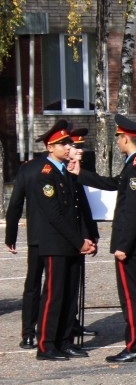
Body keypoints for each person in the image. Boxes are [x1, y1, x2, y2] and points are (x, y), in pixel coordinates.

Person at [74, 114, 136, 363]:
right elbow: (115, 184)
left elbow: (132, 211)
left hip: (130, 242)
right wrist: (81, 174)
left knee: (131, 297)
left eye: (118, 138)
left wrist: (123, 244)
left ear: (125, 139)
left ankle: (135, 346)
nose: (117, 142)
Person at [29, 120, 96, 360]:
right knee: (54, 296)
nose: (68, 147)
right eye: (63, 144)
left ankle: (65, 341)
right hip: (56, 243)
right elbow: (55, 215)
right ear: (50, 148)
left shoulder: (67, 171)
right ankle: (46, 345)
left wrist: (87, 237)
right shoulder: (45, 174)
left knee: (69, 294)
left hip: (73, 242)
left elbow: (77, 209)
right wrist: (79, 241)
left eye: (69, 143)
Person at [5, 134, 50, 350]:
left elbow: (15, 205)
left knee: (32, 284)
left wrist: (11, 236)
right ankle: (51, 331)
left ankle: (29, 334)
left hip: (36, 236)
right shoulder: (62, 168)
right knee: (55, 285)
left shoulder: (28, 168)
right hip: (59, 238)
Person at [66, 127, 100, 342]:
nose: (80, 150)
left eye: (81, 146)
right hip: (67, 238)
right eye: (75, 146)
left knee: (74, 285)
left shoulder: (77, 172)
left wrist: (92, 234)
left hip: (80, 236)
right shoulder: (62, 174)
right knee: (62, 287)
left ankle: (73, 323)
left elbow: (84, 208)